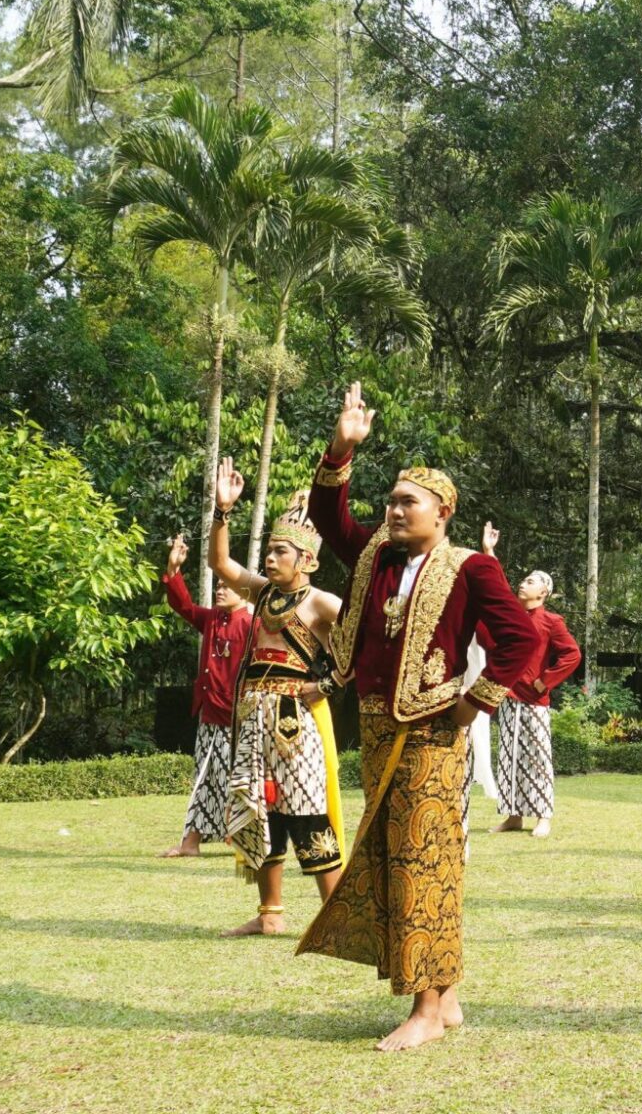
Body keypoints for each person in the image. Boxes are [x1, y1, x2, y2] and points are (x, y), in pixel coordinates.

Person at [294, 383, 542, 1052]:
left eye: (408, 502)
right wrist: (342, 448)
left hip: (432, 734)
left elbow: (524, 642)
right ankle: (445, 995)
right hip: (376, 730)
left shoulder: (472, 568)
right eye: (390, 501)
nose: (394, 510)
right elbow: (327, 513)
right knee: (392, 861)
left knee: (423, 862)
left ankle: (426, 1010)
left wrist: (474, 701)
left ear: (444, 511)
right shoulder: (375, 558)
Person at [208, 467, 348, 936]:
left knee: (305, 811)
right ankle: (271, 915)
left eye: (279, 551)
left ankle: (334, 916)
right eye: (268, 550)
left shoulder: (321, 603)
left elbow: (362, 647)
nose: (270, 558)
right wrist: (223, 511)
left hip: (294, 722)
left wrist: (326, 685)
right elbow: (221, 564)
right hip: (252, 716)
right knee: (258, 809)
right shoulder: (262, 592)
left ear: (306, 559)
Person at [478, 522, 582, 839]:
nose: (524, 584)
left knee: (537, 758)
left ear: (544, 592)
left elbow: (572, 655)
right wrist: (489, 552)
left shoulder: (552, 621)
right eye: (523, 580)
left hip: (535, 700)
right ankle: (513, 816)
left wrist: (544, 682)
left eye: (531, 581)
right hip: (508, 697)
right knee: (508, 757)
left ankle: (543, 816)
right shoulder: (512, 615)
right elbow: (495, 591)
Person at [158, 534, 250, 859]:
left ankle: (246, 840)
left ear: (245, 590)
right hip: (209, 715)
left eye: (227, 585)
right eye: (219, 584)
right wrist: (173, 568)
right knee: (204, 777)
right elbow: (181, 605)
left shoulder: (251, 625)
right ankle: (191, 843)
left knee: (236, 780)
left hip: (238, 720)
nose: (220, 589)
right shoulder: (212, 619)